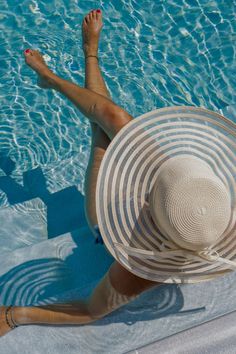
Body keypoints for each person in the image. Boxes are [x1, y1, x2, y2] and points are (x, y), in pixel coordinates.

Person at [1, 9, 236, 337]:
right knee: (115, 117)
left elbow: (91, 311)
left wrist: (14, 315)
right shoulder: (209, 208)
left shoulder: (143, 269)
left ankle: (58, 73)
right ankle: (64, 71)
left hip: (110, 218)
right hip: (166, 190)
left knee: (102, 136)